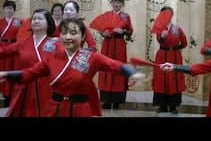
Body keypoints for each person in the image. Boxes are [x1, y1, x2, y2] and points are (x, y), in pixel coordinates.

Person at [0, 18, 144, 117]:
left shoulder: (92, 57)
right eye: (64, 33)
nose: (68, 37)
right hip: (54, 109)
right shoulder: (52, 57)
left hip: (80, 109)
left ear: (82, 37)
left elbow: (116, 65)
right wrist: (7, 74)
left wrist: (132, 73)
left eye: (73, 33)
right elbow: (29, 74)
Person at [0, 8, 56, 117]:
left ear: (48, 23)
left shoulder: (55, 44)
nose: (36, 21)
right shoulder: (23, 42)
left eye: (40, 19)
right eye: (34, 18)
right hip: (24, 88)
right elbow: (3, 51)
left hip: (46, 89)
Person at [97, 0, 134, 109]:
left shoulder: (125, 16)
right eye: (114, 2)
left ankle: (117, 100)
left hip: (119, 45)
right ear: (111, 3)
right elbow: (100, 29)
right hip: (107, 45)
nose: (116, 4)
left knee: (118, 70)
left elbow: (130, 31)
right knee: (106, 69)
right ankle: (106, 101)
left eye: (118, 2)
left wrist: (123, 32)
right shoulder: (106, 15)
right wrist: (104, 33)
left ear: (122, 4)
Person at [151, 6, 188, 113]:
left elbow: (184, 43)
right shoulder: (159, 28)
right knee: (161, 79)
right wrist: (162, 36)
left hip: (175, 57)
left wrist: (177, 49)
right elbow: (159, 40)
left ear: (172, 15)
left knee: (174, 80)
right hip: (162, 55)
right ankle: (162, 106)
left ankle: (173, 106)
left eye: (169, 14)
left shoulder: (177, 28)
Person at [0, 0, 23, 107]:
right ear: (3, 9)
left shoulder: (19, 22)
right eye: (7, 8)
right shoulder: (0, 22)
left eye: (11, 8)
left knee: (12, 71)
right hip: (2, 50)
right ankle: (4, 93)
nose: (9, 10)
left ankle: (12, 94)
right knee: (3, 70)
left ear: (14, 10)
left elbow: (25, 34)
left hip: (14, 50)